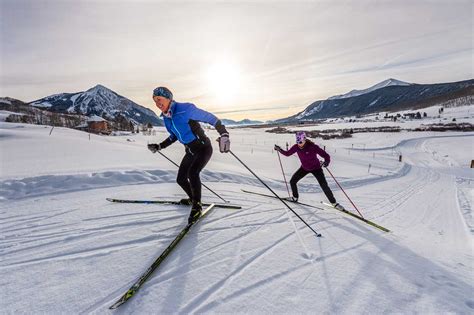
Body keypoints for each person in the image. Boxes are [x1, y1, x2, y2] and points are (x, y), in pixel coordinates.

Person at [147, 87, 230, 224]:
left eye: (160, 99)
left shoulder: (185, 109)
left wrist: (224, 133)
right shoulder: (167, 119)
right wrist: (160, 146)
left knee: (193, 173)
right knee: (180, 179)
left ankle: (197, 206)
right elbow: (174, 136)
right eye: (155, 101)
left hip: (203, 147)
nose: (157, 103)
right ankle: (193, 198)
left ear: (169, 98)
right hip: (190, 150)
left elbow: (210, 118)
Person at [274, 131, 344, 210]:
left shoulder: (312, 147)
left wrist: (326, 162)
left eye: (300, 141)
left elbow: (326, 156)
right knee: (292, 181)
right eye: (297, 142)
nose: (299, 143)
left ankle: (334, 203)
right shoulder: (296, 147)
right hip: (304, 168)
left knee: (324, 185)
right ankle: (295, 197)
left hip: (316, 168)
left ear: (304, 139)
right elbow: (287, 154)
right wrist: (279, 149)